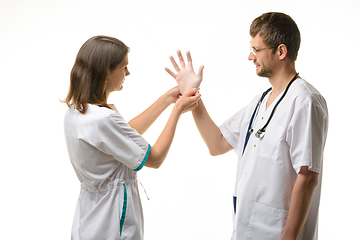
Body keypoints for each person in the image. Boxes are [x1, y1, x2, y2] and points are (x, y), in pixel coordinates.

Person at [165, 12, 328, 240]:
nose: (250, 57)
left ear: (280, 51)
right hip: (247, 229)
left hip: (279, 233)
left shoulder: (304, 101)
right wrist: (191, 94)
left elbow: (308, 176)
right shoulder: (261, 102)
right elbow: (217, 144)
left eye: (256, 49)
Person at [62, 35, 201, 240]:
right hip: (112, 223)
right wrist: (177, 111)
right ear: (105, 72)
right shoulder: (104, 119)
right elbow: (155, 158)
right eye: (123, 67)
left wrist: (165, 100)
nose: (128, 72)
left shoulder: (77, 111)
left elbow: (122, 136)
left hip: (89, 219)